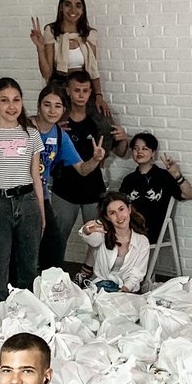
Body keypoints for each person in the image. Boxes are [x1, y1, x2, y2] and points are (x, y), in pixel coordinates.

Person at [0, 77, 46, 304]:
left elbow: (36, 177)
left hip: (27, 202)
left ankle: (27, 323)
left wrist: (41, 214)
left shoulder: (31, 134)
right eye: (4, 100)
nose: (11, 106)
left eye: (16, 100)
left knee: (29, 269)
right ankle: (0, 323)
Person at [51, 71, 127, 265]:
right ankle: (54, 276)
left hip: (93, 188)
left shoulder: (100, 119)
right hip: (64, 189)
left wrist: (123, 138)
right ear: (68, 91)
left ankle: (90, 275)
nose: (81, 95)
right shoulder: (58, 118)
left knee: (98, 238)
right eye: (76, 90)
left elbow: (120, 151)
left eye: (85, 90)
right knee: (57, 238)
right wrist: (54, 130)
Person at [33, 85, 104, 272]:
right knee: (28, 250)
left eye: (57, 106)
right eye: (47, 104)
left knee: (53, 250)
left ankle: (46, 291)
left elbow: (82, 168)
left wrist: (95, 159)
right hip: (22, 197)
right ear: (39, 106)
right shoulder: (26, 128)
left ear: (63, 109)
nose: (52, 110)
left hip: (42, 197)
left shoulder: (59, 135)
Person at [30, 0, 111, 115]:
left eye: (78, 6)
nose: (73, 10)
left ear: (83, 10)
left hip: (82, 87)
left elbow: (93, 69)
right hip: (59, 85)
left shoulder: (89, 34)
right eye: (68, 5)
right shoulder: (51, 31)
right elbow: (47, 74)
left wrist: (99, 95)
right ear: (61, 7)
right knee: (61, 125)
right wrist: (40, 49)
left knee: (103, 122)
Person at [119, 131, 192, 245]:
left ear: (153, 153)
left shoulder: (164, 176)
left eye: (145, 148)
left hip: (150, 230)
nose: (139, 151)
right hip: (128, 228)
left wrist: (176, 175)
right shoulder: (128, 179)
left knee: (117, 240)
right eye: (136, 148)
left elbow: (189, 195)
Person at [78, 192, 151, 293]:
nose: (119, 216)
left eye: (121, 209)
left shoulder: (142, 241)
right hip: (100, 288)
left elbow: (136, 274)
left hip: (127, 291)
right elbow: (87, 236)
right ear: (107, 217)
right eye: (112, 213)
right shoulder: (102, 234)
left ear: (129, 209)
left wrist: (123, 291)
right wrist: (87, 229)